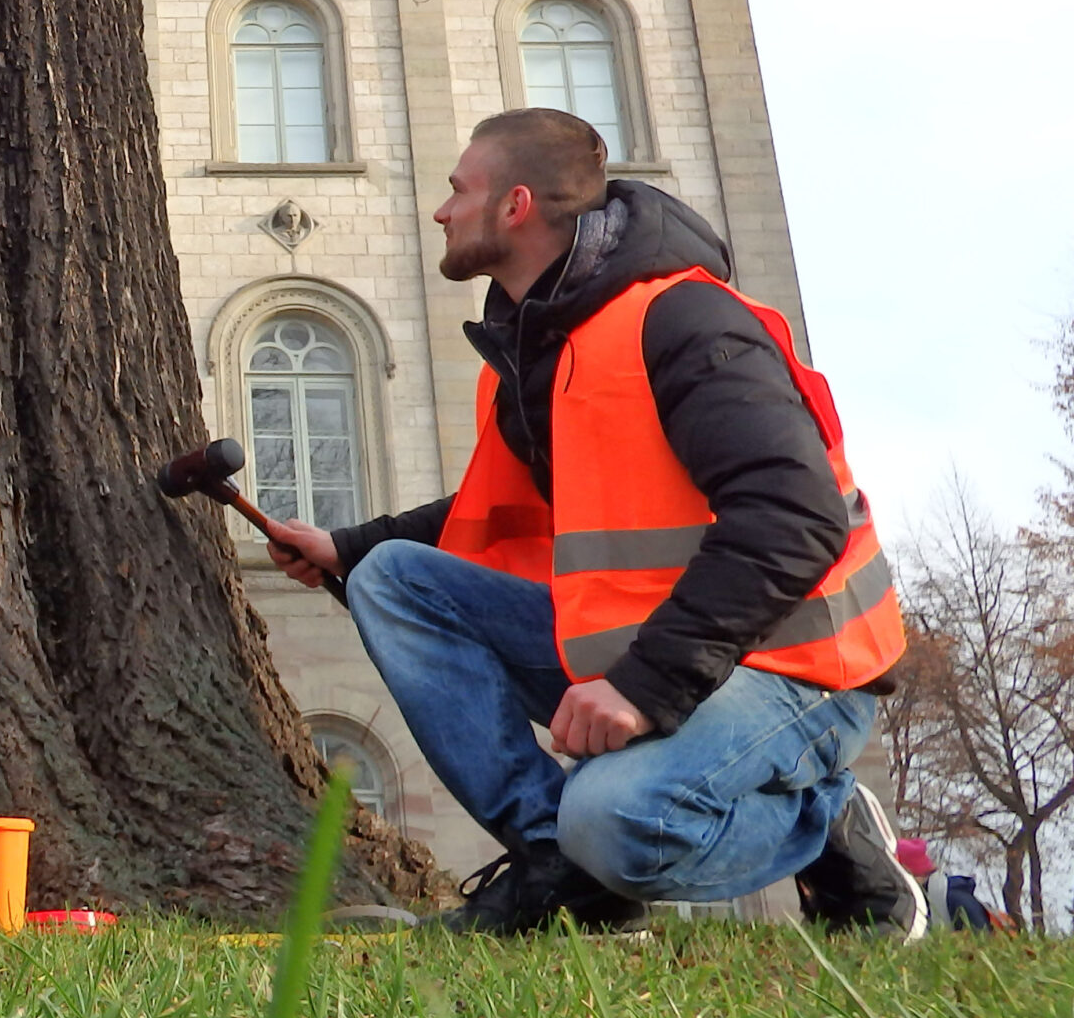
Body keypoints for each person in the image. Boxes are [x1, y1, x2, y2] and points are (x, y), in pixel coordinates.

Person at [260, 108, 923, 937]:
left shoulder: (684, 320)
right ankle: (564, 874)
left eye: (458, 192)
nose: (441, 211)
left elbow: (794, 514)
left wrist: (644, 688)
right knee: (391, 578)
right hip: (660, 648)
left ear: (516, 206)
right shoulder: (537, 352)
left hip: (797, 665)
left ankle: (826, 820)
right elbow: (493, 515)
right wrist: (350, 547)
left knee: (613, 821)